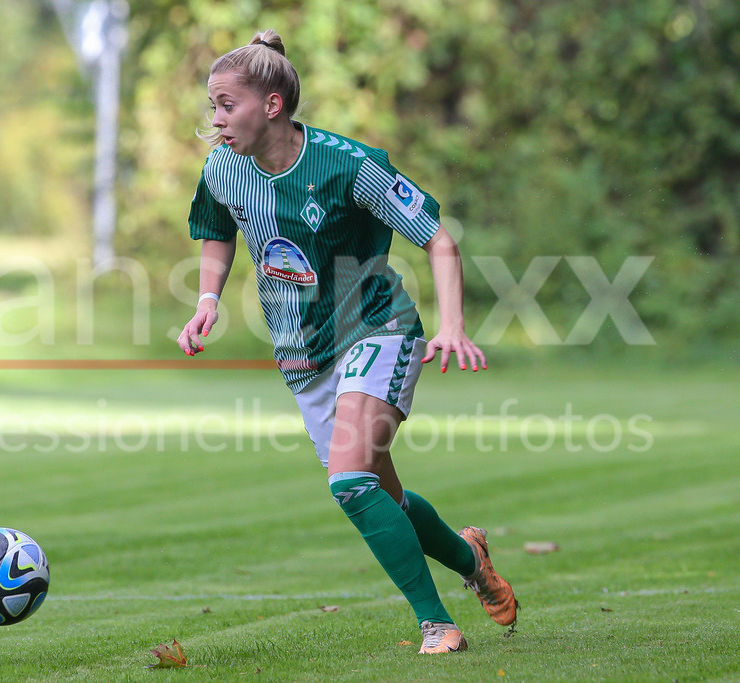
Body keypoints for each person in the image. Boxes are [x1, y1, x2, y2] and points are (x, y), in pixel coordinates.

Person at [177, 29, 517, 654]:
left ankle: (435, 624)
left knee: (347, 482)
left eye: (227, 104)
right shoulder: (223, 167)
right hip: (304, 357)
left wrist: (451, 323)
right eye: (214, 105)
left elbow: (439, 239)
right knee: (380, 494)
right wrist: (207, 302)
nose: (216, 118)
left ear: (271, 105)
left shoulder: (349, 164)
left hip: (378, 329)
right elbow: (217, 230)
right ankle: (470, 560)